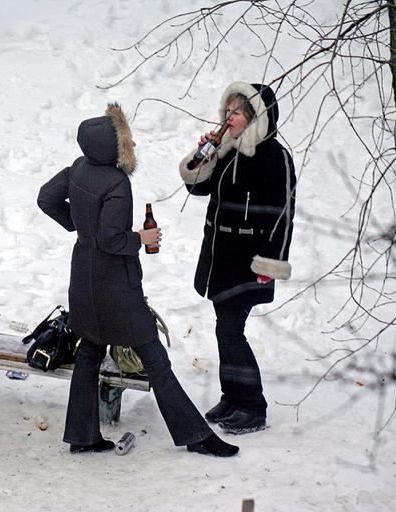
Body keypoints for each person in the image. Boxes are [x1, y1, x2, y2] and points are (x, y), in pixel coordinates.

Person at [38, 103, 238, 457]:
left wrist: (76, 224)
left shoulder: (77, 169)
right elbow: (113, 240)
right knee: (154, 357)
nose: (131, 145)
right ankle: (196, 435)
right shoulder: (116, 182)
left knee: (89, 351)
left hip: (83, 275)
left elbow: (45, 198)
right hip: (115, 284)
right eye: (125, 140)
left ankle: (82, 436)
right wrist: (142, 240)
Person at [178, 81, 297, 434]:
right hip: (220, 259)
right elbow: (197, 187)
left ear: (254, 117)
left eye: (237, 112)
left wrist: (270, 264)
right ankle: (233, 396)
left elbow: (283, 216)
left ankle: (253, 406)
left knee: (231, 331)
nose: (229, 117)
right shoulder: (227, 150)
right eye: (227, 111)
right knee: (225, 329)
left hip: (248, 262)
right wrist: (205, 156)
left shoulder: (275, 156)